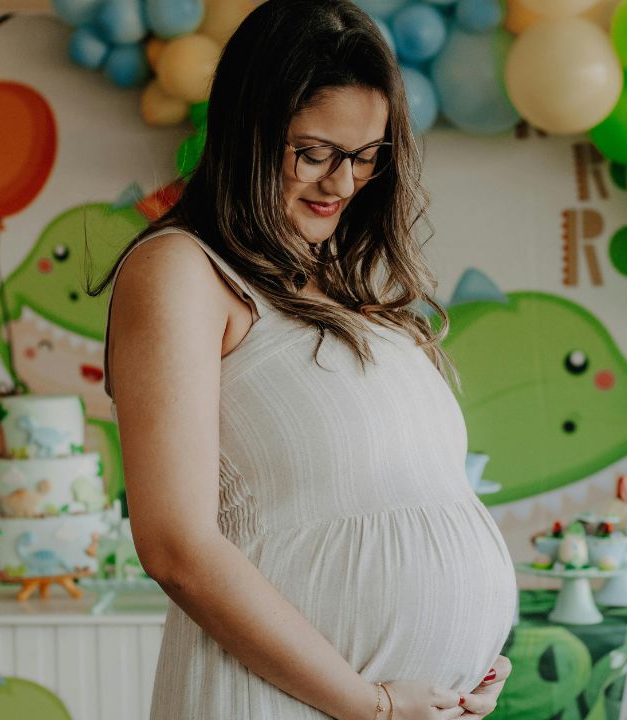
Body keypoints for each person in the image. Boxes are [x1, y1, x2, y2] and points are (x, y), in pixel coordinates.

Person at [97, 1, 518, 717]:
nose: (342, 183)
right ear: (248, 133)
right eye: (314, 152)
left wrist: (464, 664)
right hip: (279, 700)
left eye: (366, 155)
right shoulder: (182, 271)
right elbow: (175, 546)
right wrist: (372, 704)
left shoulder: (340, 287)